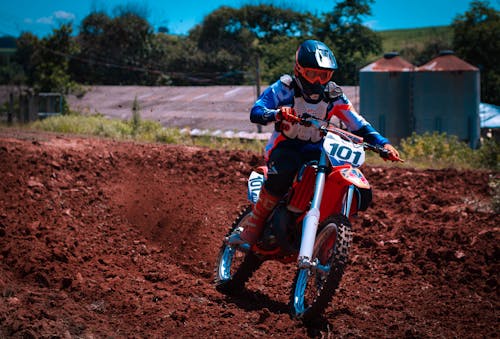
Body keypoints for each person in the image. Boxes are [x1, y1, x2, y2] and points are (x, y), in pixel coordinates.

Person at [228, 39, 400, 247]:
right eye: (312, 74)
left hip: (317, 149)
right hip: (286, 146)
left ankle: (320, 224)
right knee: (284, 171)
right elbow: (257, 111)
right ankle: (254, 223)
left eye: (324, 75)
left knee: (335, 174)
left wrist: (383, 144)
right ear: (298, 70)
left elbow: (358, 123)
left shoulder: (334, 95)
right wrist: (277, 113)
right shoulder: (285, 88)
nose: (318, 81)